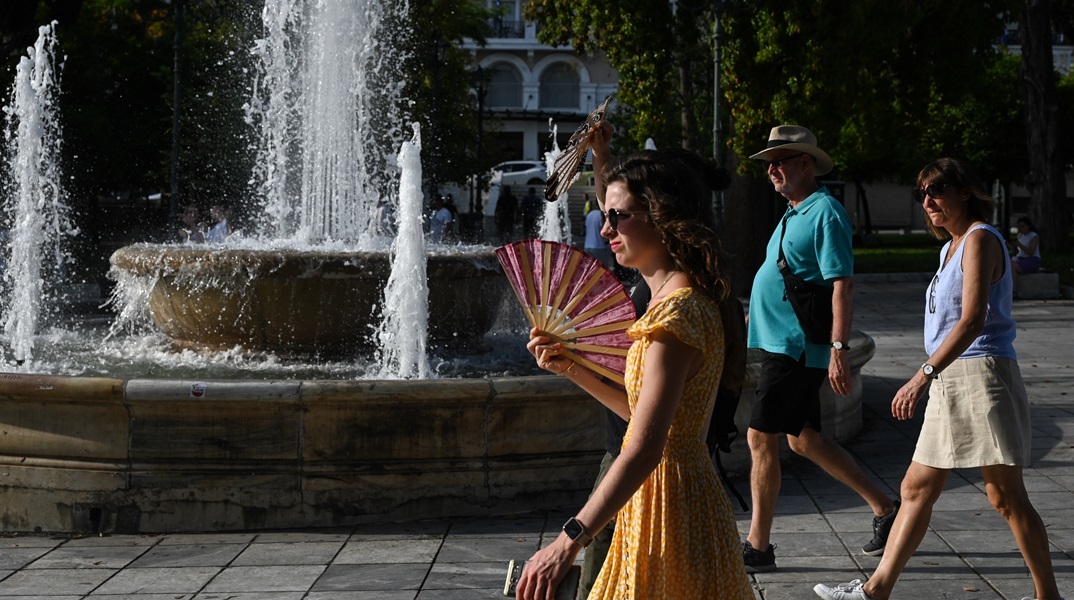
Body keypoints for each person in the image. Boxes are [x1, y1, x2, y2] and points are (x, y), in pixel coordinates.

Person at [814, 158, 1062, 600]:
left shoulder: (980, 238)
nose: (928, 200)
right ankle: (875, 591)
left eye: (938, 189)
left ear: (965, 191)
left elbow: (972, 320)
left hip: (982, 375)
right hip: (952, 377)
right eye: (921, 194)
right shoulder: (948, 249)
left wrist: (920, 376)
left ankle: (1048, 597)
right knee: (915, 488)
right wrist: (933, 374)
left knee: (1005, 497)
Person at [516, 150, 753, 599]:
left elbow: (646, 447)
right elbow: (648, 417)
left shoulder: (678, 314)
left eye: (617, 216)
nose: (605, 229)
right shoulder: (673, 302)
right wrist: (572, 368)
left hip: (669, 504)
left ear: (662, 217)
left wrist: (569, 539)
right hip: (661, 497)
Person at [744, 125, 899, 573]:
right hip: (780, 343)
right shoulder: (793, 212)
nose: (771, 169)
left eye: (780, 160)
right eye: (769, 162)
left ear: (805, 163)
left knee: (759, 437)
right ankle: (886, 510)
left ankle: (759, 546)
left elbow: (842, 283)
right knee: (806, 440)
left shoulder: (825, 211)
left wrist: (838, 347)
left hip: (795, 346)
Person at [583, 204, 613, 270]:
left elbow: (586, 228)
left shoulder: (589, 214)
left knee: (589, 269)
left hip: (587, 246)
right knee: (604, 270)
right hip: (598, 246)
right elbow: (604, 230)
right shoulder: (601, 216)